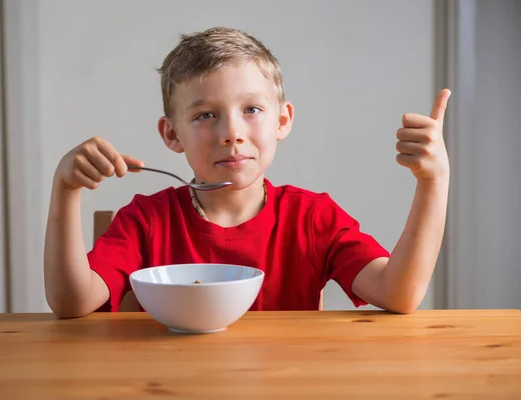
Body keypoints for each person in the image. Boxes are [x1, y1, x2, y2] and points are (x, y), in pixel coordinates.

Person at [43, 27, 451, 318]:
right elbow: (71, 304)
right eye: (205, 115)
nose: (232, 134)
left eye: (251, 110)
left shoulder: (312, 219)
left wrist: (433, 182)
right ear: (172, 134)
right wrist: (66, 189)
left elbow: (398, 294)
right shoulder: (146, 221)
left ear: (283, 120)